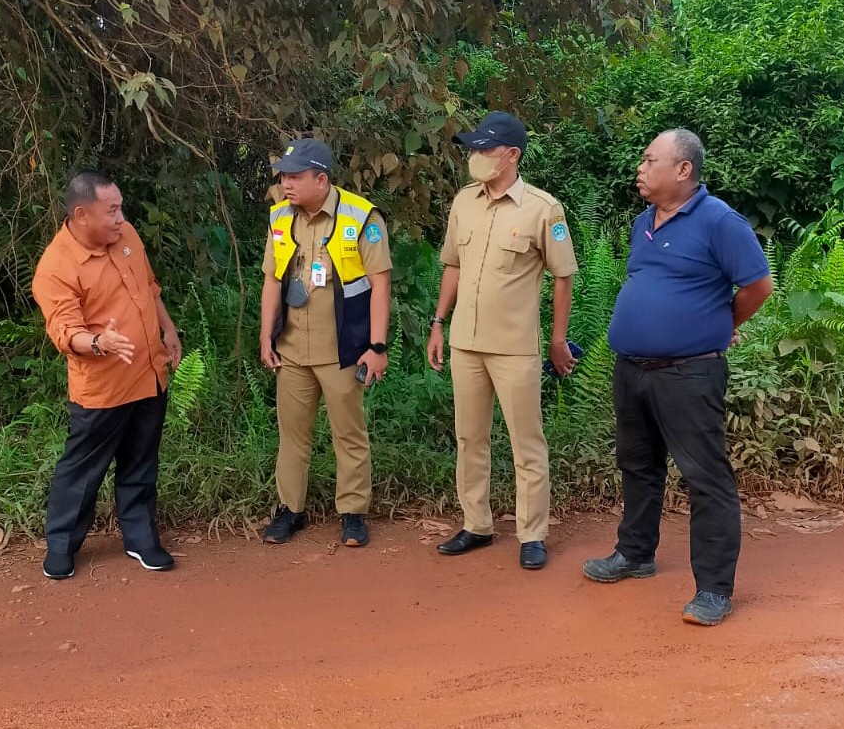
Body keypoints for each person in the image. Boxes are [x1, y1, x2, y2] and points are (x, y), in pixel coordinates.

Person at [582, 129, 773, 625]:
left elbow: (758, 286)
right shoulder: (643, 222)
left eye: (650, 160)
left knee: (705, 476)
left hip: (689, 373)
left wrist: (719, 322)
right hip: (633, 369)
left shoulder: (719, 221)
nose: (640, 168)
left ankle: (713, 588)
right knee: (638, 466)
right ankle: (636, 554)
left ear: (683, 170)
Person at [426, 111, 578, 570]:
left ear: (511, 155)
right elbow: (452, 265)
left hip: (514, 347)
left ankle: (532, 533)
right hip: (465, 343)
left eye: (484, 150)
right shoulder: (463, 202)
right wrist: (438, 321)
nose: (475, 157)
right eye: (473, 150)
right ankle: (477, 524)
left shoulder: (542, 209)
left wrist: (557, 339)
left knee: (525, 442)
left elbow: (564, 276)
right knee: (470, 437)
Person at [32, 170, 182, 580]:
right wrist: (100, 344)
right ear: (82, 214)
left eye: (121, 209)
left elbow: (150, 288)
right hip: (102, 388)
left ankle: (140, 538)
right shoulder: (56, 267)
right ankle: (61, 545)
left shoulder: (128, 235)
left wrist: (168, 330)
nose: (121, 218)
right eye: (112, 211)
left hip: (150, 373)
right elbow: (64, 331)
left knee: (141, 462)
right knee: (81, 471)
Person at [259, 138, 391, 547]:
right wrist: (266, 335)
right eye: (283, 177)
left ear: (321, 179)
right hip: (293, 348)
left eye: (295, 177)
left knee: (348, 434)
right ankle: (289, 510)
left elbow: (380, 284)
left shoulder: (361, 216)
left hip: (344, 350)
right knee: (292, 435)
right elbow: (272, 279)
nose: (286, 185)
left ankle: (353, 513)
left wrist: (378, 346)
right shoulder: (280, 217)